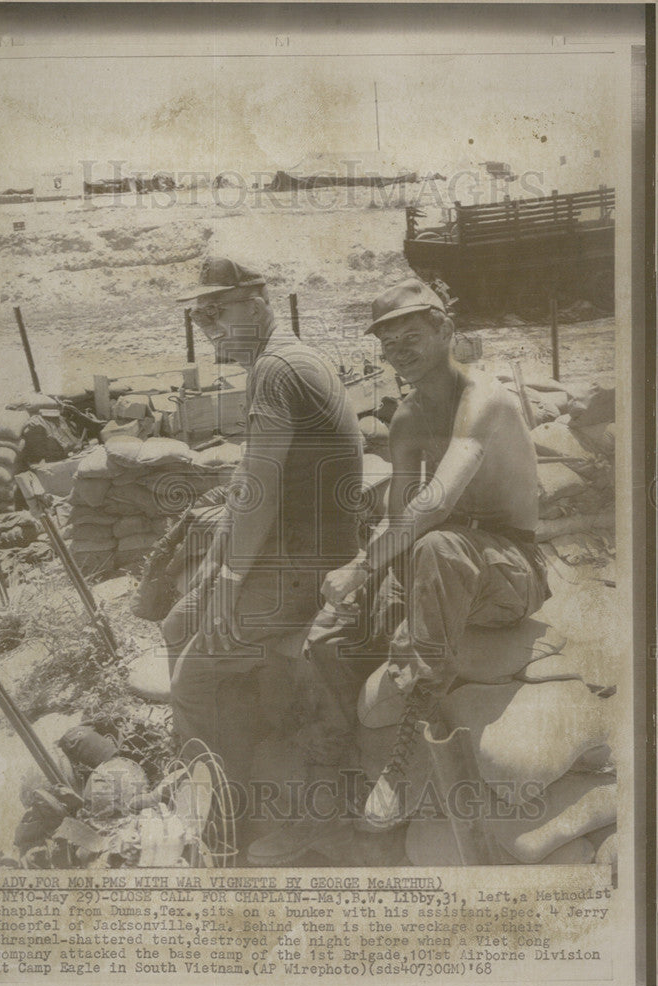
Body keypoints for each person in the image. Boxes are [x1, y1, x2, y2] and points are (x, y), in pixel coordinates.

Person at [314, 275, 551, 829]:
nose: (399, 354)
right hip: (438, 559)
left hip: (511, 569)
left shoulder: (485, 399)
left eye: (411, 337)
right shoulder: (407, 417)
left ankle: (405, 757)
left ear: (445, 329)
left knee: (439, 548)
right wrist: (372, 587)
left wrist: (360, 567)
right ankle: (353, 752)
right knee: (328, 634)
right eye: (389, 345)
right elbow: (401, 516)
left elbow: (439, 500)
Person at [164, 257, 363, 843]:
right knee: (177, 623)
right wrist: (216, 572)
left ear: (256, 301)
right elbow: (250, 486)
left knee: (191, 681)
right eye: (200, 315)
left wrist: (227, 582)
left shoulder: (277, 368)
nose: (209, 325)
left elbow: (263, 487)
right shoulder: (285, 360)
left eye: (217, 310)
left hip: (307, 565)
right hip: (291, 551)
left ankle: (221, 823)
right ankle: (219, 771)